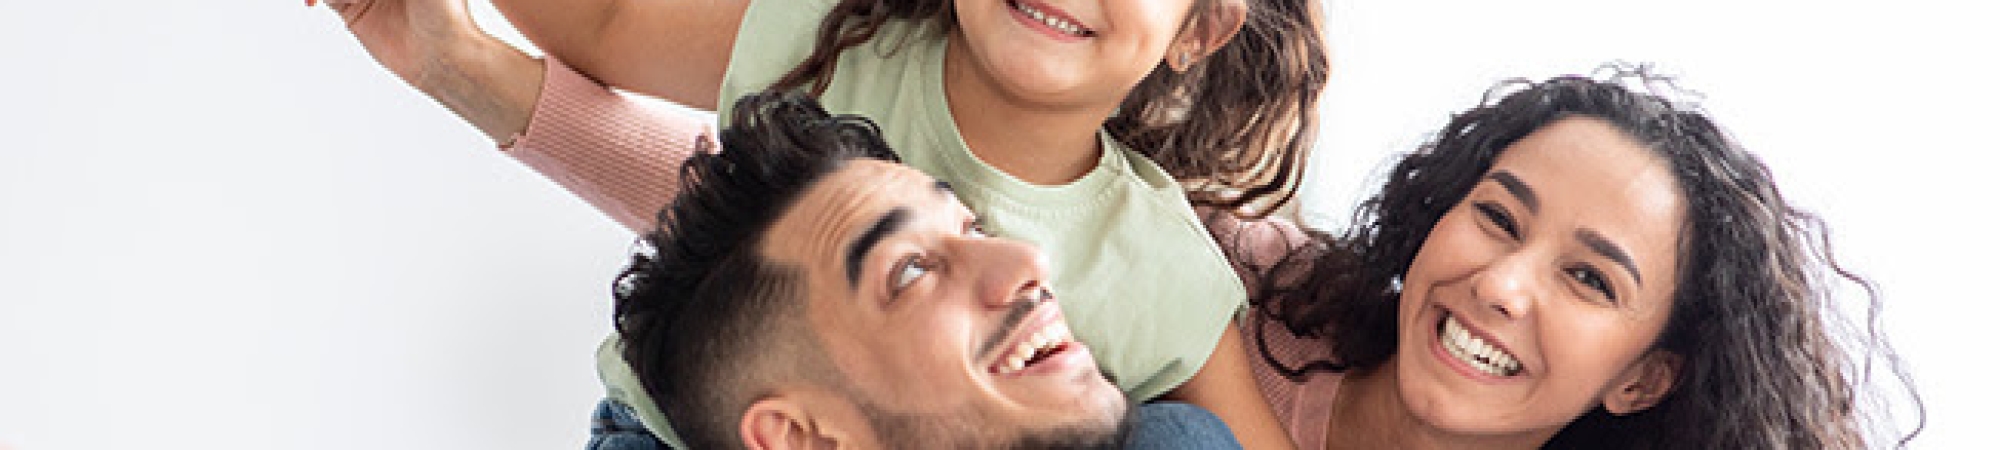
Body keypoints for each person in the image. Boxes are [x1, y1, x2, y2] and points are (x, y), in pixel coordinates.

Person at [319, 0, 1329, 447]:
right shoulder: (839, 34)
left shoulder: (1157, 266)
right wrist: (448, 50)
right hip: (664, 432)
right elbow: (611, 22)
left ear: (1201, 28)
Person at [1203, 71, 1925, 448]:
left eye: (1588, 279)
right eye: (1497, 217)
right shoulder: (1234, 277)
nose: (1501, 285)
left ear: (1642, 382)